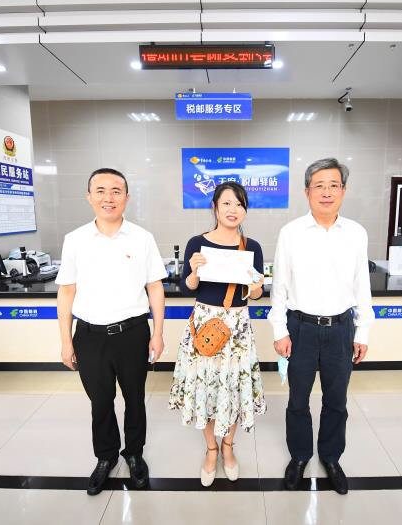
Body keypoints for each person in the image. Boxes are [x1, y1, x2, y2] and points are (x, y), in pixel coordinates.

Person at [55, 168, 166, 496]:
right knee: (100, 401)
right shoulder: (75, 239)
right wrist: (65, 341)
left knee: (135, 399)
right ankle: (105, 456)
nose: (109, 197)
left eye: (116, 191)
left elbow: (155, 287)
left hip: (133, 333)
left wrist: (158, 333)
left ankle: (134, 454)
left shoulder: (142, 238)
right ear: (89, 197)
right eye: (101, 191)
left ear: (127, 198)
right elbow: (66, 292)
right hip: (89, 336)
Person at [268, 157, 374, 495]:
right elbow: (280, 287)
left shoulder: (356, 233)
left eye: (333, 185)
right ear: (307, 192)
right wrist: (279, 331)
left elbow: (362, 287)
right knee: (298, 399)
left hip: (341, 329)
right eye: (319, 186)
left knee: (336, 400)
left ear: (343, 190)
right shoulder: (291, 233)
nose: (326, 192)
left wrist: (363, 331)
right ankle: (300, 456)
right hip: (300, 328)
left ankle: (331, 457)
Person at [169, 181, 266, 487]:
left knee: (233, 388)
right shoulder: (197, 243)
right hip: (204, 325)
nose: (233, 210)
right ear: (215, 207)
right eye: (226, 203)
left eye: (239, 204)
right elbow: (187, 288)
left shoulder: (252, 247)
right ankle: (211, 449)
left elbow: (257, 293)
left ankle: (228, 447)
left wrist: (256, 287)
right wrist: (194, 272)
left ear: (245, 209)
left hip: (237, 328)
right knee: (205, 388)